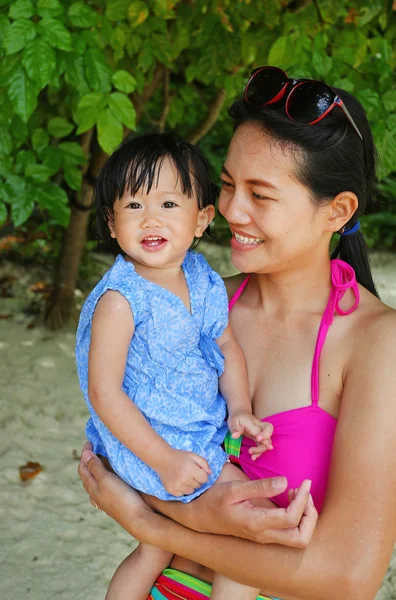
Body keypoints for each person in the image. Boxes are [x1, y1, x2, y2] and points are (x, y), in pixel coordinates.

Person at [78, 67, 396, 600]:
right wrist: (172, 505)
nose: (230, 210)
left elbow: (349, 576)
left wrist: (154, 526)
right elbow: (105, 455)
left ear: (337, 211)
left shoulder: (376, 345)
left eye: (260, 195)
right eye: (226, 184)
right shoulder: (192, 303)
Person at [75, 130, 305, 600]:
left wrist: (239, 408)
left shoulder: (201, 278)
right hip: (148, 440)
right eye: (133, 206)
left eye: (168, 205)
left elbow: (224, 344)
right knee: (250, 525)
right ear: (112, 223)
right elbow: (104, 393)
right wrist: (165, 460)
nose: (150, 219)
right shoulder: (121, 300)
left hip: (192, 430)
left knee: (153, 549)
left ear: (201, 220)